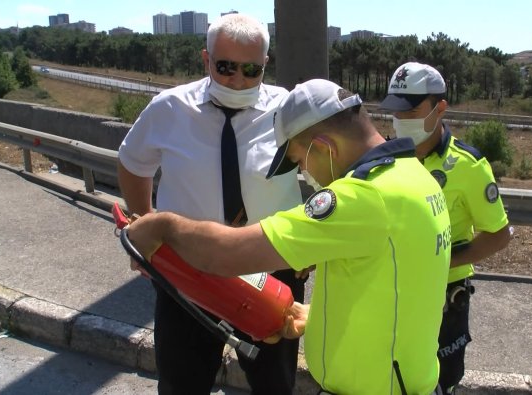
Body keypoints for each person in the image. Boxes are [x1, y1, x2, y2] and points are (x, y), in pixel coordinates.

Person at [126, 78, 451, 395]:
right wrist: (321, 315)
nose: (306, 175)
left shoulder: (361, 198)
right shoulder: (415, 178)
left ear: (324, 147)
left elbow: (226, 255)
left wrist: (163, 225)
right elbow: (398, 286)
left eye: (299, 161)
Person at [116, 13, 306, 395]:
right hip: (189, 271)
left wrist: (312, 244)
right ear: (206, 60)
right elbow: (132, 163)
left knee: (275, 385)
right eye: (226, 67)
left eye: (252, 70)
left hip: (271, 269)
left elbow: (330, 167)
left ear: (266, 64)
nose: (239, 80)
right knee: (182, 382)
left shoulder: (289, 110)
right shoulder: (169, 108)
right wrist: (143, 229)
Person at [380, 62, 512, 394]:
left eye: (411, 111)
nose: (401, 120)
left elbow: (498, 234)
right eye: (396, 111)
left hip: (444, 295)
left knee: (441, 381)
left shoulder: (468, 166)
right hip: (389, 288)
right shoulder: (383, 157)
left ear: (440, 108)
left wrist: (442, 261)